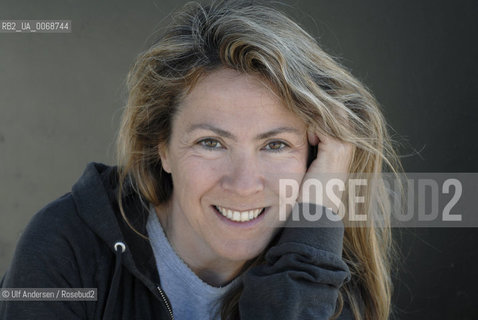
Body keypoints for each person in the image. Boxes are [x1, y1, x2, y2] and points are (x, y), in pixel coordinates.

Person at [0, 1, 401, 319]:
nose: (244, 184)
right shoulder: (67, 246)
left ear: (314, 158)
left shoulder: (322, 276)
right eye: (211, 143)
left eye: (275, 145)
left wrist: (312, 239)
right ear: (163, 147)